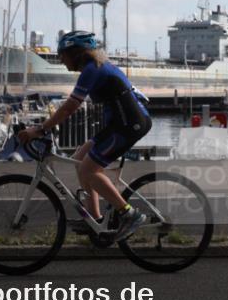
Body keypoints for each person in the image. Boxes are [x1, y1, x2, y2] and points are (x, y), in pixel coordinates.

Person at [18, 31, 152, 241]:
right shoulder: (95, 67)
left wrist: (41, 129)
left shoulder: (92, 70)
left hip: (128, 125)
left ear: (75, 53)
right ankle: (96, 219)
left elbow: (70, 107)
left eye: (63, 54)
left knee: (88, 169)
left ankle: (129, 214)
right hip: (121, 123)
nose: (61, 59)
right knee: (79, 158)